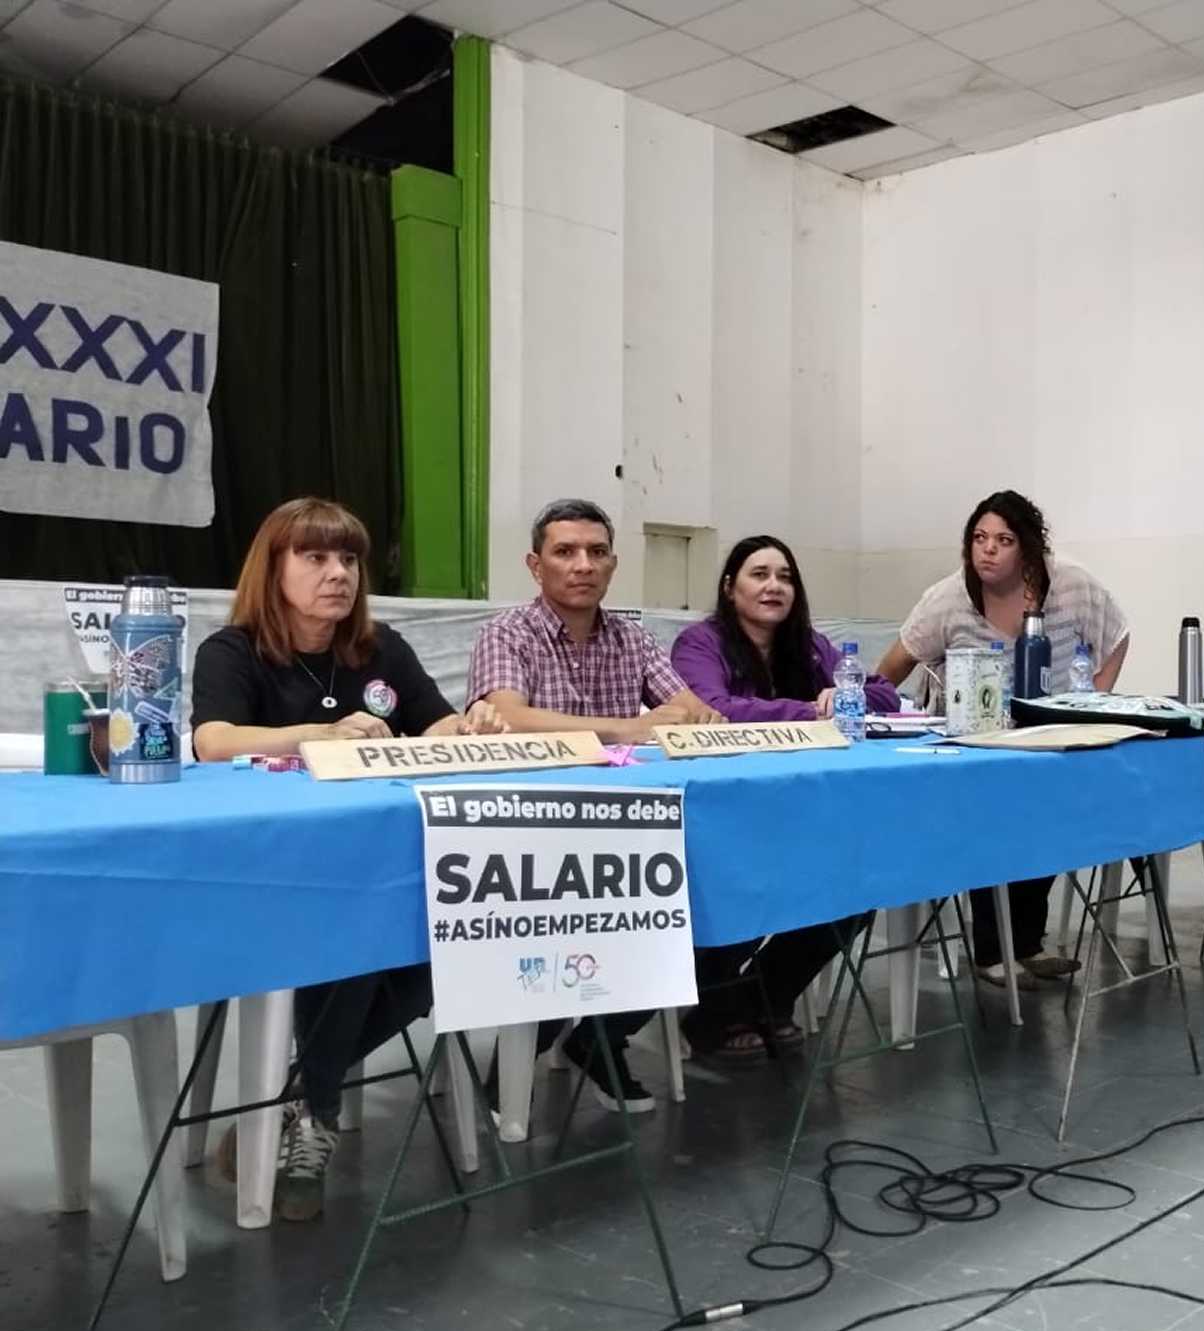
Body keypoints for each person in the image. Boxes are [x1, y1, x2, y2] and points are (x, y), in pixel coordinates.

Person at [191, 497, 508, 1222]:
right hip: (269, 875)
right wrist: (320, 733)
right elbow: (213, 741)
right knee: (354, 936)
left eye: (349, 559)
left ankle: (292, 1097)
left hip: (382, 867)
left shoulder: (381, 648)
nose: (338, 574)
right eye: (316, 557)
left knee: (445, 953)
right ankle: (317, 1115)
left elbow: (440, 725)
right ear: (273, 569)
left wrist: (473, 722)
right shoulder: (233, 651)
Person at [466, 497, 723, 1108]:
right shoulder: (508, 631)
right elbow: (506, 714)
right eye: (565, 552)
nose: (582, 565)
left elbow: (685, 709)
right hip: (536, 831)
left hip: (629, 828)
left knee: (697, 902)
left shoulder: (630, 638)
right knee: (576, 926)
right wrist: (625, 727)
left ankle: (600, 1041)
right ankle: (523, 1053)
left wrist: (683, 714)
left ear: (612, 564)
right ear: (536, 565)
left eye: (596, 552)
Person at [877, 490, 1130, 990]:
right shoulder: (947, 598)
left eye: (1003, 540)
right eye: (978, 539)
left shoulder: (1071, 585)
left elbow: (1119, 636)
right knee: (990, 817)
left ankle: (1028, 943)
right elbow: (889, 669)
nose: (987, 550)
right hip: (972, 752)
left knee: (1057, 818)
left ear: (1028, 549)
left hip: (1048, 741)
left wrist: (1092, 704)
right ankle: (992, 951)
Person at [670, 535, 898, 1054]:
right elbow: (713, 710)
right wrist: (813, 710)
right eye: (759, 574)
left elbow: (887, 693)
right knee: (749, 887)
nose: (774, 586)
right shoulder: (699, 642)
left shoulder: (810, 643)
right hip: (728, 813)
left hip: (804, 807)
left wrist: (850, 695)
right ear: (730, 588)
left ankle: (768, 995)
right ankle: (715, 1007)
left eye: (786, 576)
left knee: (856, 888)